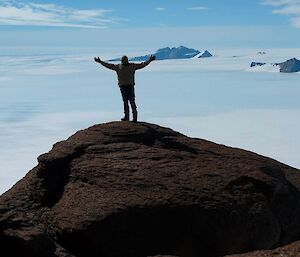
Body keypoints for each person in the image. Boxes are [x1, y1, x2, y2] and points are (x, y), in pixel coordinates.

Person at [94, 55, 155, 122]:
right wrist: (149, 61)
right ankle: (131, 117)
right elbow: (142, 65)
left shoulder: (121, 66)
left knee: (129, 102)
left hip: (126, 86)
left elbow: (109, 65)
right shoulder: (128, 66)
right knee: (129, 102)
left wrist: (100, 62)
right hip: (126, 87)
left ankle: (130, 117)